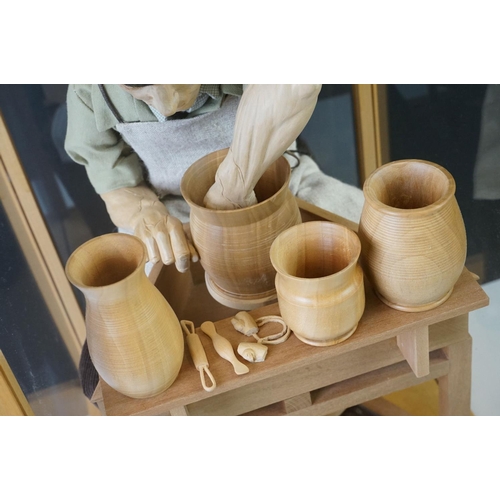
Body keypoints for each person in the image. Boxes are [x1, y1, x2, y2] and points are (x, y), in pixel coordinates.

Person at [65, 84, 365, 400]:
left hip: (275, 177)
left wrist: (231, 186)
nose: (163, 108)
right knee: (104, 371)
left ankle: (338, 398)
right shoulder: (91, 86)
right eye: (140, 90)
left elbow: (297, 85)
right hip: (170, 205)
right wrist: (143, 212)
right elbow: (111, 179)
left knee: (379, 252)